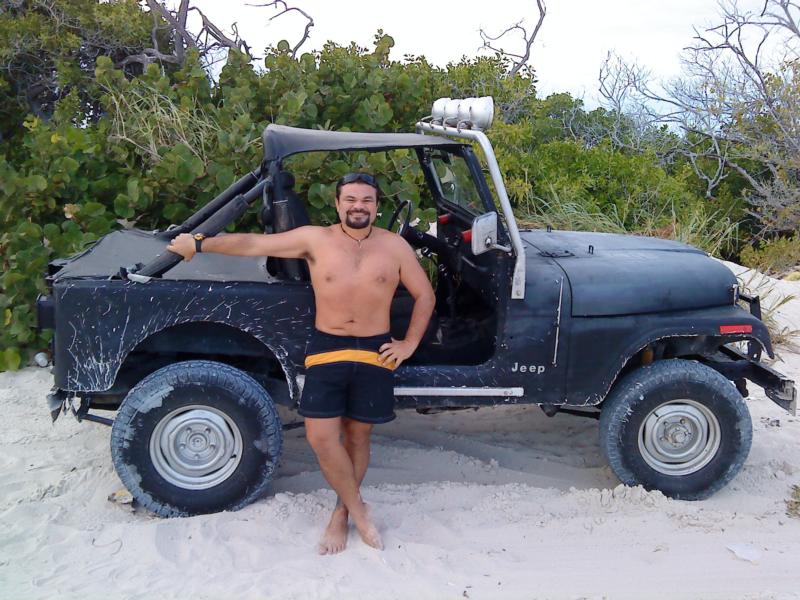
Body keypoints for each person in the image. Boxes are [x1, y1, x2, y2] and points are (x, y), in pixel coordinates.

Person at [167, 172, 436, 554]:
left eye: (367, 200)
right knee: (321, 437)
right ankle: (360, 510)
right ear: (338, 204)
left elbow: (425, 296)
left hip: (375, 351)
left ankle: (341, 513)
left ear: (377, 206)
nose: (358, 206)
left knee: (358, 435)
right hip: (328, 346)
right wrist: (199, 243)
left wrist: (408, 344)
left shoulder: (395, 247)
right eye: (351, 199)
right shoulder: (315, 239)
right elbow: (253, 243)